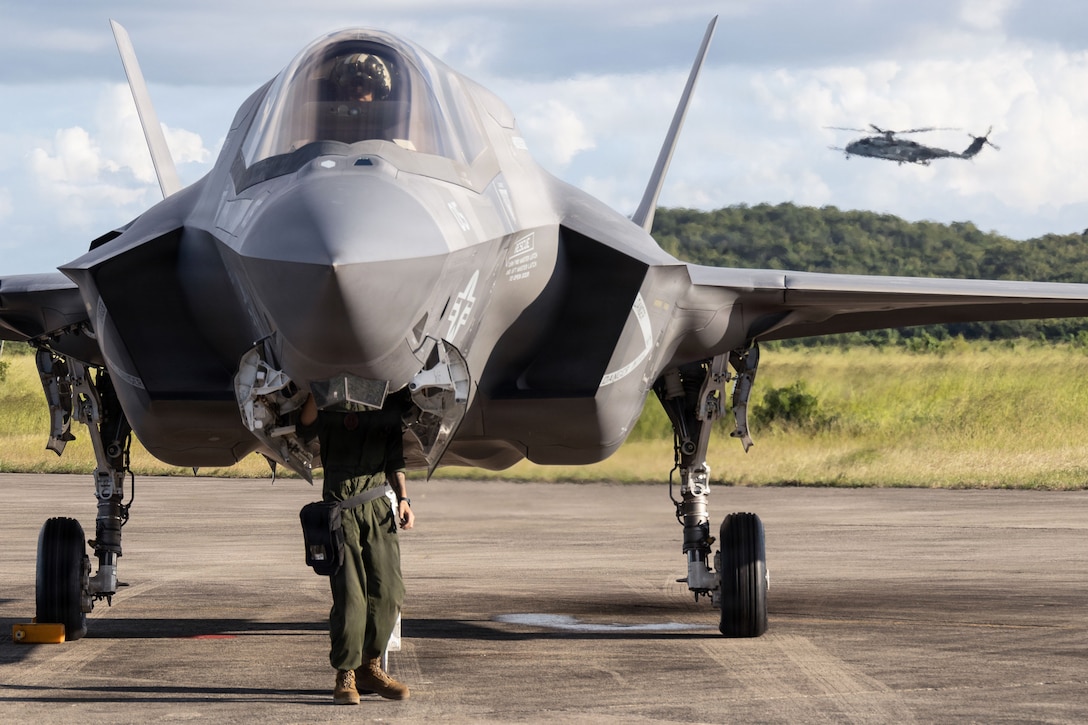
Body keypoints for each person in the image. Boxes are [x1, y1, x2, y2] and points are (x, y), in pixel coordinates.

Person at [298, 390, 415, 705]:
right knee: (351, 597)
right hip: (341, 510)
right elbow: (305, 426)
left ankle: (369, 666)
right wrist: (315, 385)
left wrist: (403, 499)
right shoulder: (329, 399)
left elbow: (395, 458)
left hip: (378, 506)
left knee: (390, 592)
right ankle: (345, 673)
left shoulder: (388, 401)